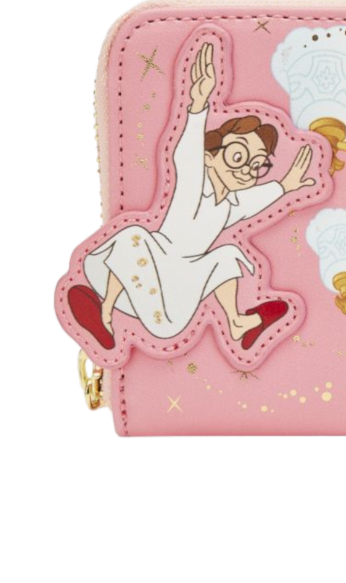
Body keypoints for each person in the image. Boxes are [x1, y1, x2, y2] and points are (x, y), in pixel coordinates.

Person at [68, 41, 317, 351]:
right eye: (238, 156)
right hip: (146, 268)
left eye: (257, 165)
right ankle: (104, 314)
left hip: (171, 300)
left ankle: (238, 322)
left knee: (227, 254)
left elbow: (253, 202)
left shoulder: (228, 206)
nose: (247, 170)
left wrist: (285, 185)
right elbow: (186, 158)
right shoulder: (193, 185)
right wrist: (198, 106)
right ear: (209, 156)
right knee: (134, 237)